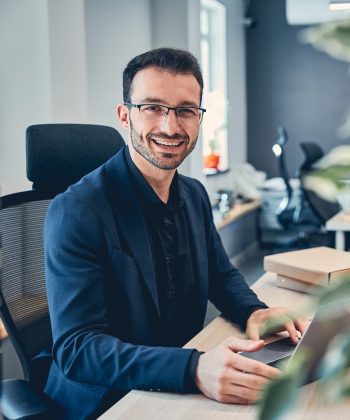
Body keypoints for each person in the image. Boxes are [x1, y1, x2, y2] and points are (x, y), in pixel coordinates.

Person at [44, 48, 307, 419]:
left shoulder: (195, 194)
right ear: (125, 116)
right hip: (105, 401)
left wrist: (254, 312)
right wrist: (194, 368)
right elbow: (77, 349)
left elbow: (220, 273)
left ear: (199, 119)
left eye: (185, 110)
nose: (170, 127)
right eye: (152, 107)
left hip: (179, 385)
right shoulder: (77, 210)